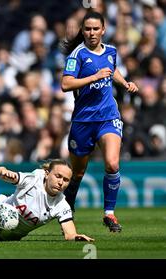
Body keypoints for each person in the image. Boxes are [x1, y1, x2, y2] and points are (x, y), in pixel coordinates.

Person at [60, 11, 138, 232]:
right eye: (87, 29)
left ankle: (109, 214)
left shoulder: (111, 51)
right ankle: (68, 206)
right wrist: (93, 77)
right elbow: (66, 84)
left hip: (108, 116)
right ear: (83, 31)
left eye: (96, 29)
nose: (92, 33)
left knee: (112, 163)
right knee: (76, 174)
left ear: (103, 30)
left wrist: (125, 83)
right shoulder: (77, 55)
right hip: (83, 121)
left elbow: (112, 70)